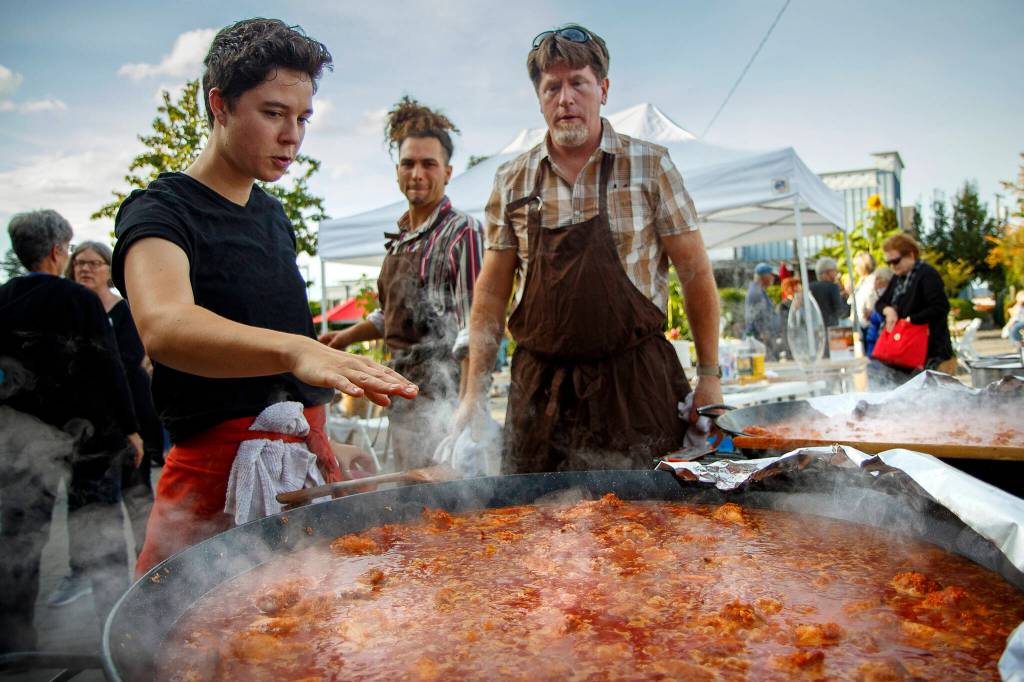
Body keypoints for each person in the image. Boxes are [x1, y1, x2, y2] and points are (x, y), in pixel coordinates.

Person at [111, 19, 417, 576]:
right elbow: (165, 324)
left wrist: (322, 431)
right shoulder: (159, 211)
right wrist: (297, 350)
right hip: (210, 478)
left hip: (302, 459)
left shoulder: (275, 216)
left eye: (302, 119)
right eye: (274, 113)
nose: (292, 136)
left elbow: (281, 350)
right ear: (220, 105)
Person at [456, 24, 722, 473]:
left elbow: (696, 273)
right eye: (551, 87)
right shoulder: (512, 179)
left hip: (636, 387)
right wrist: (472, 394)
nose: (565, 99)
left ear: (602, 89)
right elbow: (492, 293)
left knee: (653, 532)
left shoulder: (650, 166)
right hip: (541, 395)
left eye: (577, 83)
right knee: (533, 531)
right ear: (539, 99)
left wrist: (709, 378)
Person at [0, 210, 143, 651]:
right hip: (91, 441)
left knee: (18, 542)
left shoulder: (2, 297)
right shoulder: (78, 300)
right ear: (57, 250)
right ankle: (116, 636)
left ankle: (13, 644)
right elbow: (108, 365)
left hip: (20, 443)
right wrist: (132, 429)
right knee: (97, 538)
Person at [320, 97, 483, 469]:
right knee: (412, 497)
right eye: (409, 163)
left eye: (429, 164)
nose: (417, 173)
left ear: (448, 171)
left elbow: (474, 328)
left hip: (443, 394)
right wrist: (342, 339)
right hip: (400, 387)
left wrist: (465, 410)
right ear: (397, 170)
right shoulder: (402, 235)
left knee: (450, 503)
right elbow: (387, 315)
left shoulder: (462, 232)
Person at [63, 242, 160, 559]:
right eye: (79, 262)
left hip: (128, 418)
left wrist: (133, 427)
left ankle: (149, 565)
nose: (85, 268)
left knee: (136, 495)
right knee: (88, 504)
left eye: (93, 263)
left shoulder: (126, 311)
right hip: (83, 426)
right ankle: (92, 572)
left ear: (109, 269)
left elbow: (129, 365)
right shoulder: (70, 308)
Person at [870, 234, 955, 384]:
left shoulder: (927, 274)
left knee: (932, 399)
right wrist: (888, 310)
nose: (892, 266)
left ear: (910, 254)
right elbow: (880, 303)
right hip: (902, 352)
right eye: (888, 262)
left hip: (930, 350)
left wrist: (911, 320)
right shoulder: (898, 278)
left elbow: (940, 307)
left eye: (895, 261)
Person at [744, 262, 781, 359]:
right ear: (764, 276)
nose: (773, 278)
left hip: (762, 341)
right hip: (761, 342)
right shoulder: (756, 293)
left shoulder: (758, 291)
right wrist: (767, 339)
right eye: (771, 275)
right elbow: (759, 320)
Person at [809, 257, 849, 328]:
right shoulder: (832, 287)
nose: (836, 273)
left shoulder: (810, 287)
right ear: (827, 272)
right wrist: (845, 299)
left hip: (815, 328)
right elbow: (841, 312)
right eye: (834, 270)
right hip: (831, 329)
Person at [863, 267, 893, 357]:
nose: (875, 281)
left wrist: (871, 315)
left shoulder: (888, 296)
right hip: (873, 338)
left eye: (877, 278)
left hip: (880, 339)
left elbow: (884, 317)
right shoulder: (877, 294)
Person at [849, 251, 878, 340]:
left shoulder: (873, 281)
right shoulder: (861, 281)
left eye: (857, 265)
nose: (855, 269)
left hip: (869, 324)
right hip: (859, 324)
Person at [777, 276, 801, 359]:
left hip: (801, 342)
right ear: (789, 289)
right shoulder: (783, 306)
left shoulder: (802, 303)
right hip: (790, 343)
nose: (799, 288)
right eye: (796, 286)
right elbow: (784, 325)